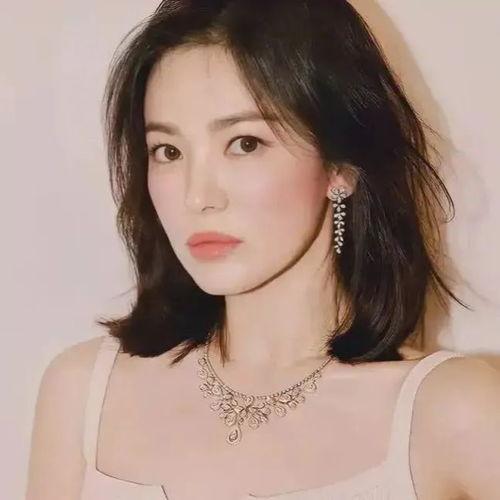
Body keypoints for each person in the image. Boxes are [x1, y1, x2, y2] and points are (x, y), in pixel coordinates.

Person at [26, 1, 500, 499]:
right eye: (169, 151)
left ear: (340, 167)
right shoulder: (83, 394)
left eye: (245, 144)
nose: (197, 197)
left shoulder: (453, 415)